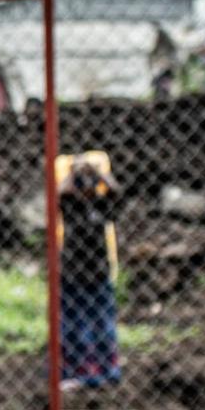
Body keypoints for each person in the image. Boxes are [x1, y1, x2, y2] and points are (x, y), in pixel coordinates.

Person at [58, 153, 122, 389]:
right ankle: (83, 372)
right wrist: (76, 172)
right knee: (77, 326)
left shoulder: (101, 206)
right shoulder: (72, 206)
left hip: (95, 274)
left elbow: (116, 191)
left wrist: (97, 172)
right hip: (74, 275)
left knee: (101, 325)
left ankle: (105, 371)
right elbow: (61, 193)